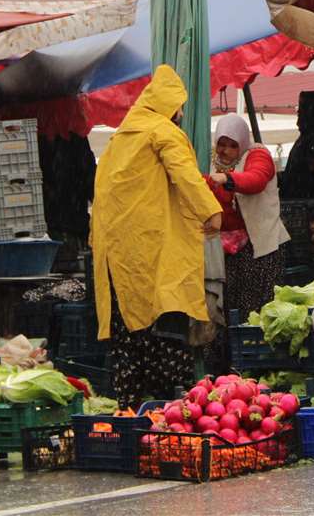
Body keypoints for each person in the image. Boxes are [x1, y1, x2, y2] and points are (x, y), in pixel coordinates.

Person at [91, 64, 222, 409]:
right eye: (179, 106)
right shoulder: (162, 131)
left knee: (128, 343)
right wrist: (210, 210)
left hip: (115, 259)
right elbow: (185, 175)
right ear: (169, 105)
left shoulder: (119, 139)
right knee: (165, 333)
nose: (180, 113)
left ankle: (128, 414)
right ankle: (173, 415)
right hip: (152, 253)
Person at [205, 114, 290, 322]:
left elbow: (257, 179)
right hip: (225, 250)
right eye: (221, 144)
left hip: (259, 251)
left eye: (232, 145)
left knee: (255, 313)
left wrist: (228, 178)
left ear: (242, 144)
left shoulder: (257, 155)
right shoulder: (209, 160)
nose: (224, 150)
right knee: (227, 309)